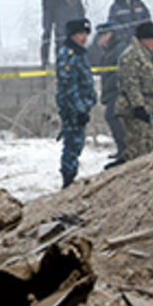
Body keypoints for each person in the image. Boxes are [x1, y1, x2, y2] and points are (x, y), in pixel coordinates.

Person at [56, 17, 96, 188]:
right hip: (72, 109)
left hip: (81, 107)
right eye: (80, 33)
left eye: (86, 33)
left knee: (77, 143)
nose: (84, 37)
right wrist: (79, 109)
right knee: (72, 144)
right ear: (72, 35)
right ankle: (68, 178)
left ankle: (70, 176)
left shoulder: (80, 54)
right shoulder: (68, 55)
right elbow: (68, 86)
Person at [116, 22, 153, 162]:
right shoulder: (131, 55)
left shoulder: (145, 54)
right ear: (144, 39)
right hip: (134, 107)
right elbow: (131, 83)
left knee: (149, 144)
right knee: (138, 147)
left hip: (147, 105)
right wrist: (138, 106)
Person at [88, 21, 128, 164]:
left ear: (109, 34)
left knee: (113, 117)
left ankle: (125, 148)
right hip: (111, 90)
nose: (100, 39)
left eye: (102, 35)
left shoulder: (119, 49)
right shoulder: (109, 49)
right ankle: (122, 148)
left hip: (118, 90)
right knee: (112, 117)